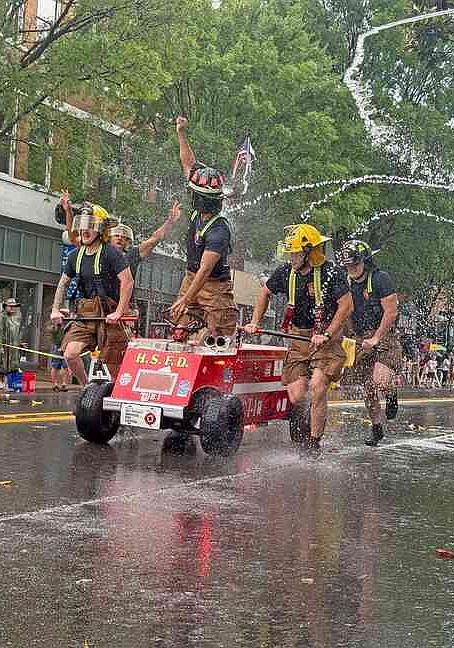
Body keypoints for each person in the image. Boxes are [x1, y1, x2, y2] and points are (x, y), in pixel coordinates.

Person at [243, 224, 352, 456]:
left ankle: (314, 442)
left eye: (295, 253)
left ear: (310, 252)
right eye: (290, 253)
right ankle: (308, 417)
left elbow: (346, 306)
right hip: (298, 337)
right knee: (297, 394)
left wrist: (327, 334)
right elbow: (264, 293)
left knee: (318, 385)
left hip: (326, 338)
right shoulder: (285, 273)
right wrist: (255, 321)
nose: (291, 257)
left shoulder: (333, 274)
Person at [168, 116, 238, 338]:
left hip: (215, 287)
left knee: (218, 338)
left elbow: (206, 269)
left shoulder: (219, 230)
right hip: (191, 277)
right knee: (179, 331)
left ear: (199, 198)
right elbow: (187, 163)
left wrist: (186, 300)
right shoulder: (200, 212)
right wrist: (181, 132)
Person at [50, 205, 133, 386]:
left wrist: (119, 312)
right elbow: (63, 283)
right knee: (70, 354)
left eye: (90, 225)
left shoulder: (111, 253)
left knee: (114, 368)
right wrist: (55, 309)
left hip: (110, 315)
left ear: (100, 229)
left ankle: (118, 396)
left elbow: (128, 281)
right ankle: (86, 386)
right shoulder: (75, 256)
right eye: (82, 224)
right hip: (86, 315)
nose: (85, 230)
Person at [338, 240, 402, 446]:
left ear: (365, 261)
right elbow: (342, 311)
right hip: (359, 336)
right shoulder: (345, 282)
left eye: (355, 265)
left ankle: (391, 394)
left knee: (380, 380)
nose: (351, 269)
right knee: (368, 387)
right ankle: (376, 428)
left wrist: (375, 338)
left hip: (383, 335)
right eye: (347, 266)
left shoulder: (380, 279)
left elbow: (391, 312)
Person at [0, 298, 22, 391]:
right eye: (10, 306)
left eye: (14, 306)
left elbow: (16, 333)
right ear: (5, 307)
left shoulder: (14, 318)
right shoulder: (1, 317)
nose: (13, 308)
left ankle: (5, 384)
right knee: (1, 365)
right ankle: (0, 383)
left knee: (9, 366)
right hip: (3, 346)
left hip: (12, 347)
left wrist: (19, 343)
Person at [49, 321, 70, 392]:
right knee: (55, 366)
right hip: (56, 346)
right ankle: (55, 384)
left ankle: (64, 384)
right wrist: (55, 325)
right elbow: (51, 330)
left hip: (67, 346)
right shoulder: (55, 324)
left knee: (66, 366)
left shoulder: (68, 324)